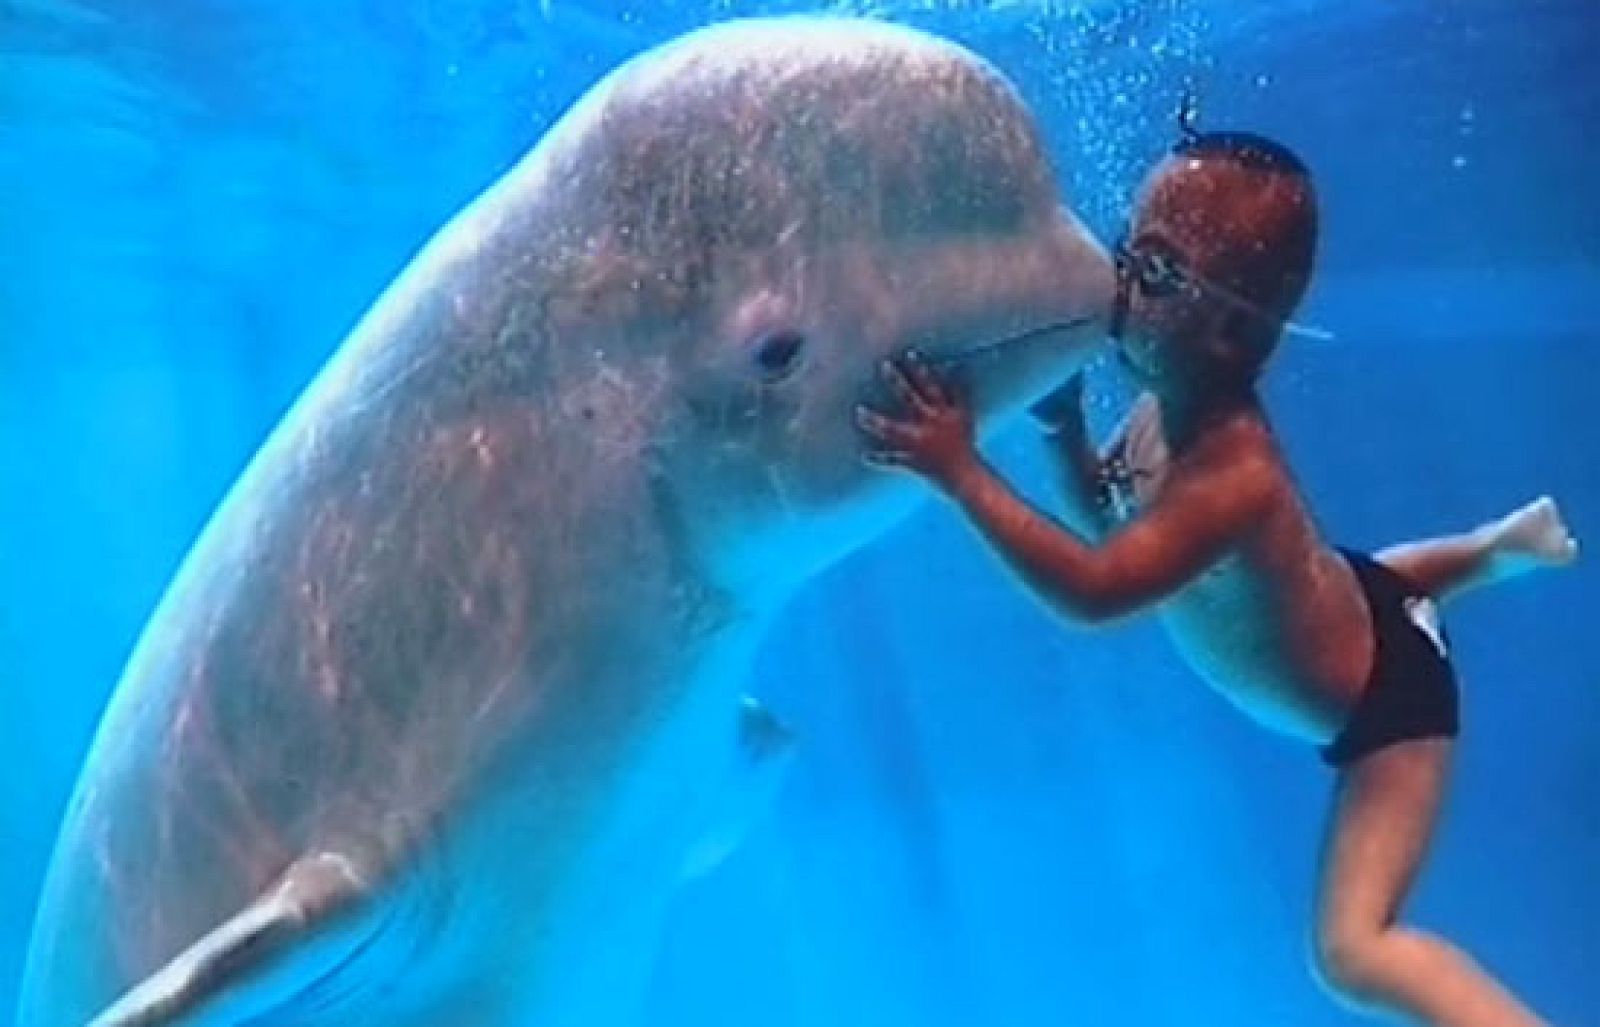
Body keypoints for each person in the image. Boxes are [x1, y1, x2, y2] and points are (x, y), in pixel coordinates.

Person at [855, 129, 1578, 1026]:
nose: (1116, 289)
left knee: (1351, 952)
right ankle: (1491, 550)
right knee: (1348, 586)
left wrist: (961, 470)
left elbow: (1095, 587)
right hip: (1357, 602)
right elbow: (1106, 517)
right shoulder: (1164, 411)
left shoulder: (1231, 476)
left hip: (1389, 707)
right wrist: (1061, 430)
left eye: (1153, 275)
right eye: (1124, 254)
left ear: (1233, 328)